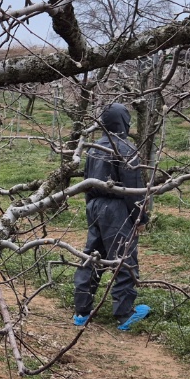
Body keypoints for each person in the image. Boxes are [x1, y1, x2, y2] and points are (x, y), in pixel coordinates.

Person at [73, 103, 151, 331]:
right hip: (117, 208)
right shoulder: (125, 149)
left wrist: (92, 209)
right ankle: (125, 314)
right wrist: (140, 218)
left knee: (92, 256)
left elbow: (87, 181)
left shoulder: (94, 147)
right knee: (124, 258)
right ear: (124, 122)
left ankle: (81, 311)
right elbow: (133, 188)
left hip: (94, 206)